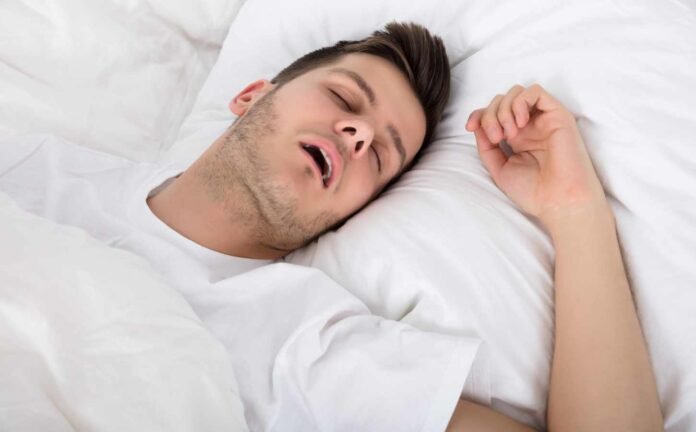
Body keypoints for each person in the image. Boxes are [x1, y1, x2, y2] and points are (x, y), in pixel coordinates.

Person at [0, 22, 663, 431]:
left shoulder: (308, 345)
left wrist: (576, 211)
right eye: (346, 100)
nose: (359, 133)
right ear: (251, 96)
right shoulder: (36, 170)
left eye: (381, 153)